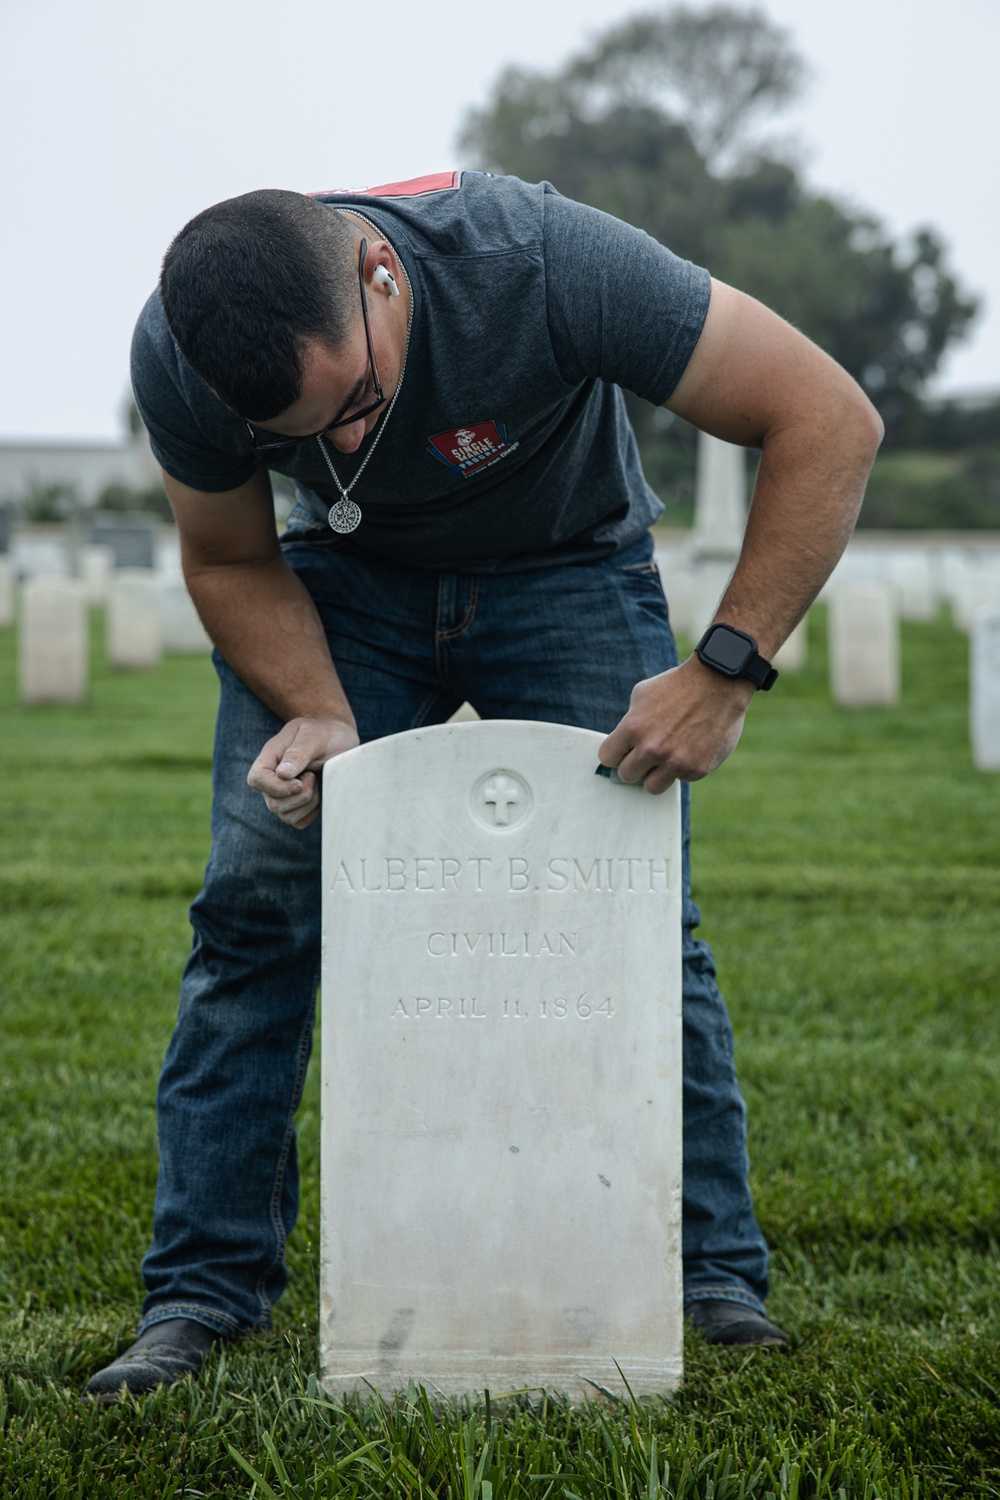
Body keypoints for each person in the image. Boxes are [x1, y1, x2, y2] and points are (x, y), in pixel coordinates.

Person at [85, 171, 881, 1401]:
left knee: (637, 919)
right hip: (343, 592)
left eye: (356, 400)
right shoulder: (181, 352)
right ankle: (201, 1287)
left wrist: (725, 670)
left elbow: (828, 417)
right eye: (300, 436)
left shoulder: (542, 260)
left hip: (565, 560)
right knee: (252, 912)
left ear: (382, 277)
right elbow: (228, 552)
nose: (344, 446)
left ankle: (707, 1270)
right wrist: (317, 708)